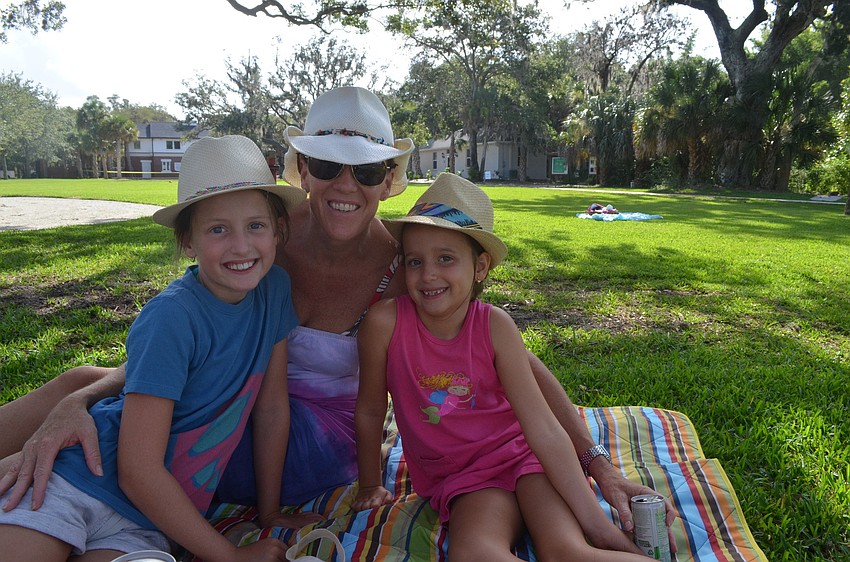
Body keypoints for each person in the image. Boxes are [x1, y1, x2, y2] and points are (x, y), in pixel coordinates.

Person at [0, 87, 673, 547]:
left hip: (302, 445)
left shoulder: (406, 265)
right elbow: (190, 344)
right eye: (327, 166)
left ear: (390, 178)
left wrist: (597, 463)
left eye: (368, 171)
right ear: (302, 169)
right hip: (230, 408)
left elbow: (514, 360)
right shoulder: (261, 236)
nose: (346, 187)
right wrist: (81, 399)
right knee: (78, 382)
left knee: (103, 409)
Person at [0, 135, 307, 562]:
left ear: (278, 232)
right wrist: (230, 556)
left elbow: (271, 409)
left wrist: (269, 512)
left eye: (256, 225)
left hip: (152, 523)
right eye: (218, 229)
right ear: (188, 242)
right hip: (79, 482)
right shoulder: (172, 316)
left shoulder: (274, 290)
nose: (241, 246)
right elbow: (138, 470)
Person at [353, 174, 645, 560]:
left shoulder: (494, 325)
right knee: (473, 553)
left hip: (526, 458)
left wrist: (598, 526)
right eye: (414, 261)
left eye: (446, 258)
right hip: (464, 479)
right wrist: (370, 484)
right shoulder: (385, 324)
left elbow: (542, 427)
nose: (429, 275)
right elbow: (371, 408)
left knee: (566, 550)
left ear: (480, 267)